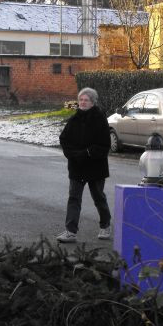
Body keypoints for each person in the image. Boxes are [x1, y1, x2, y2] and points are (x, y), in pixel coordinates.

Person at [57, 87, 112, 243]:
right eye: (81, 99)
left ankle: (105, 225)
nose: (82, 102)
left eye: (86, 100)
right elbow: (64, 139)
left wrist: (87, 153)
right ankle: (70, 231)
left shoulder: (99, 118)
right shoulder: (74, 119)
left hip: (95, 167)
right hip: (76, 166)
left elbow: (104, 145)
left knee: (98, 197)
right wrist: (72, 154)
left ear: (92, 102)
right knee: (74, 199)